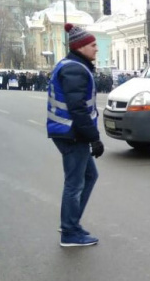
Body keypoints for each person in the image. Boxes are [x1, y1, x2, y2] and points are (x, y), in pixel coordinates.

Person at [47, 23, 104, 248]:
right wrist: (94, 138)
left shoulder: (73, 65)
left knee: (89, 176)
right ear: (80, 47)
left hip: (68, 131)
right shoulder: (75, 69)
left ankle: (70, 223)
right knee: (75, 183)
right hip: (72, 133)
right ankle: (70, 231)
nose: (96, 49)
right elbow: (77, 108)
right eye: (93, 45)